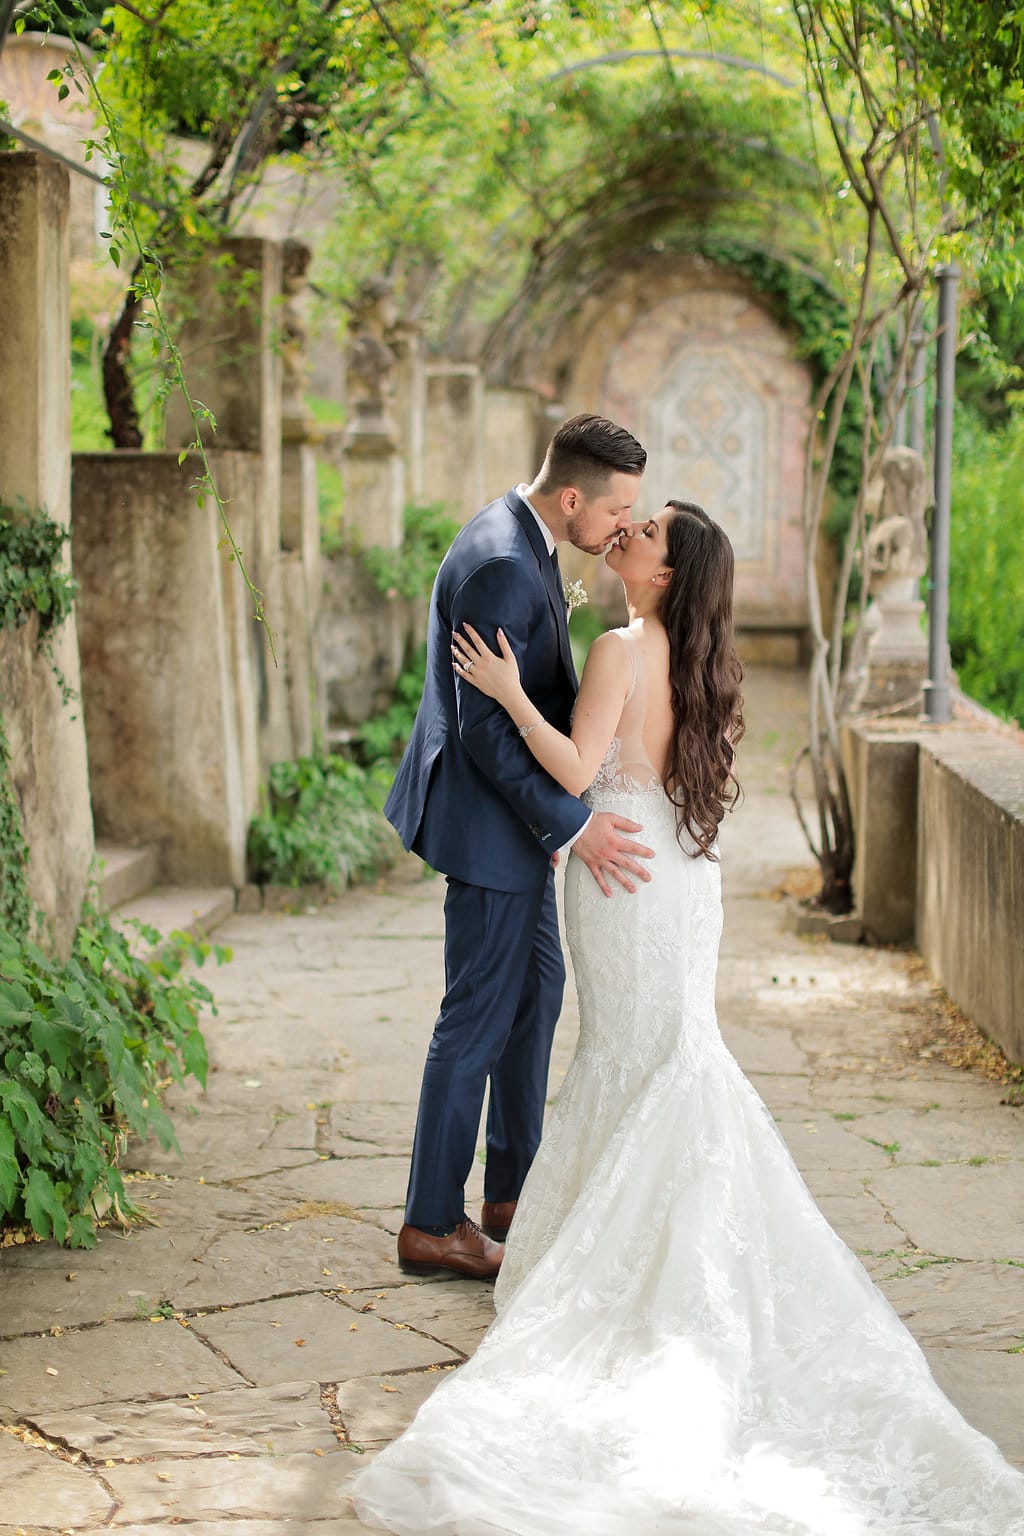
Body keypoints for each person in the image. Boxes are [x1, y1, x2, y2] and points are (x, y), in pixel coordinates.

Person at [352, 502, 1024, 1535]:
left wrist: (507, 693)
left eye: (650, 531)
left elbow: (574, 769)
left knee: (630, 1052)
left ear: (666, 574)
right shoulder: (697, 660)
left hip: (620, 874)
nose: (630, 529)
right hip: (676, 873)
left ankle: (635, 1254)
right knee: (671, 1052)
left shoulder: (622, 649)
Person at [384, 414, 654, 1282]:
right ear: (572, 498)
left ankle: (511, 1196)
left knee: (536, 993)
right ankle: (432, 1223)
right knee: (475, 1019)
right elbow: (486, 729)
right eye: (617, 510)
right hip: (489, 825)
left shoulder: (526, 537)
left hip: (514, 824)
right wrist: (572, 824)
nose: (623, 525)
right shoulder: (503, 560)